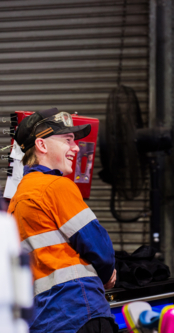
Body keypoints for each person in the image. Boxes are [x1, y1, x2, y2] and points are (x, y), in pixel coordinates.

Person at [8, 108, 118, 333]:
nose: (76, 147)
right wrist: (107, 276)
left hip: (44, 321)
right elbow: (100, 248)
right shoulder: (56, 186)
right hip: (79, 310)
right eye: (68, 140)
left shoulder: (16, 200)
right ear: (42, 145)